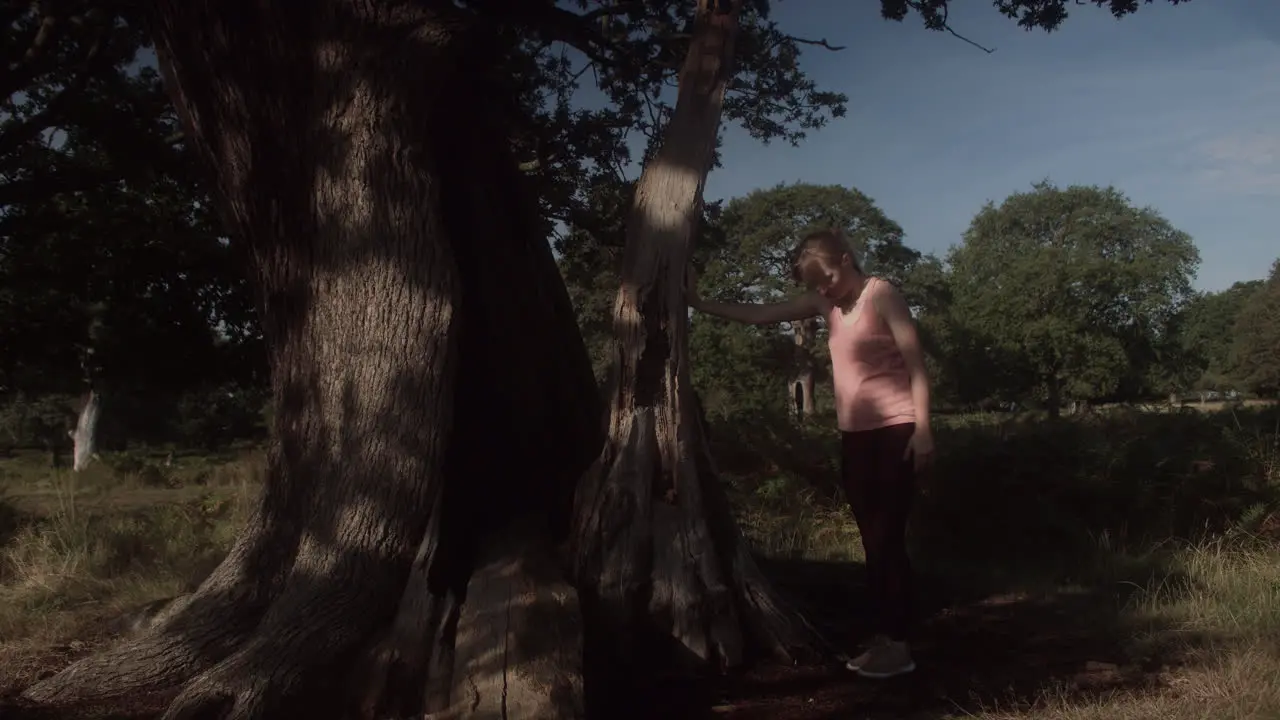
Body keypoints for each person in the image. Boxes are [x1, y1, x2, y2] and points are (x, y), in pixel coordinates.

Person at [686, 228, 935, 679]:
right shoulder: (826, 305)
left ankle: (899, 645)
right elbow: (762, 314)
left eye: (829, 279)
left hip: (896, 430)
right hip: (855, 436)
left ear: (846, 258)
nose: (824, 290)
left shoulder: (883, 295)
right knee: (872, 541)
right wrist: (701, 303)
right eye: (816, 285)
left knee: (886, 539)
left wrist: (924, 430)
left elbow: (916, 364)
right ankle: (885, 635)